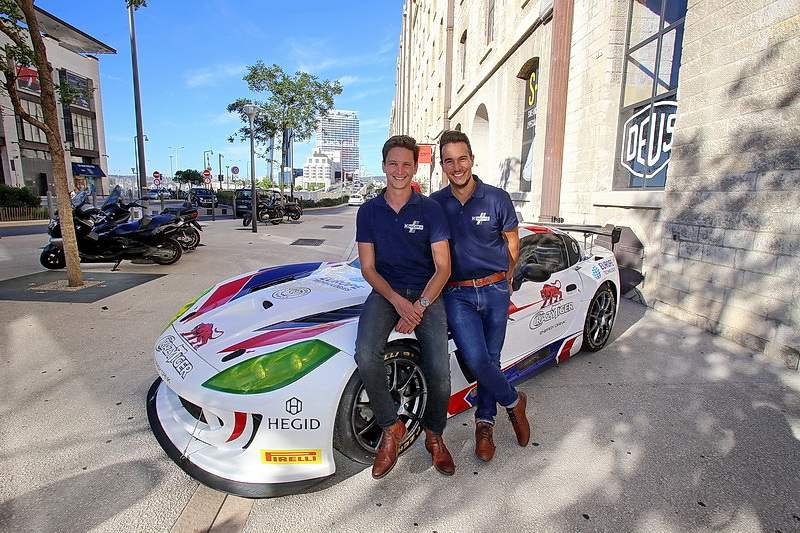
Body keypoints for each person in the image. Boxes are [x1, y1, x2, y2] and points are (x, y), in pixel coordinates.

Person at [355, 135, 454, 478]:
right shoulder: (368, 211)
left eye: (406, 165)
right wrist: (399, 303)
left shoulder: (430, 209)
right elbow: (368, 268)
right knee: (366, 354)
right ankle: (391, 427)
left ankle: (434, 435)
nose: (399, 171)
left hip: (427, 292)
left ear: (415, 168)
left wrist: (421, 305)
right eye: (393, 164)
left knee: (440, 372)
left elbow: (444, 267)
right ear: (383, 166)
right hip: (387, 292)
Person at [430, 130, 530, 462]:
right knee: (477, 360)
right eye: (449, 161)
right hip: (457, 294)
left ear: (472, 159)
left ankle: (484, 425)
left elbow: (512, 243)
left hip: (496, 289)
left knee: (492, 360)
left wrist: (509, 279)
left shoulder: (497, 198)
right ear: (443, 165)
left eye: (462, 158)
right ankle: (514, 403)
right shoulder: (435, 204)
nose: (456, 166)